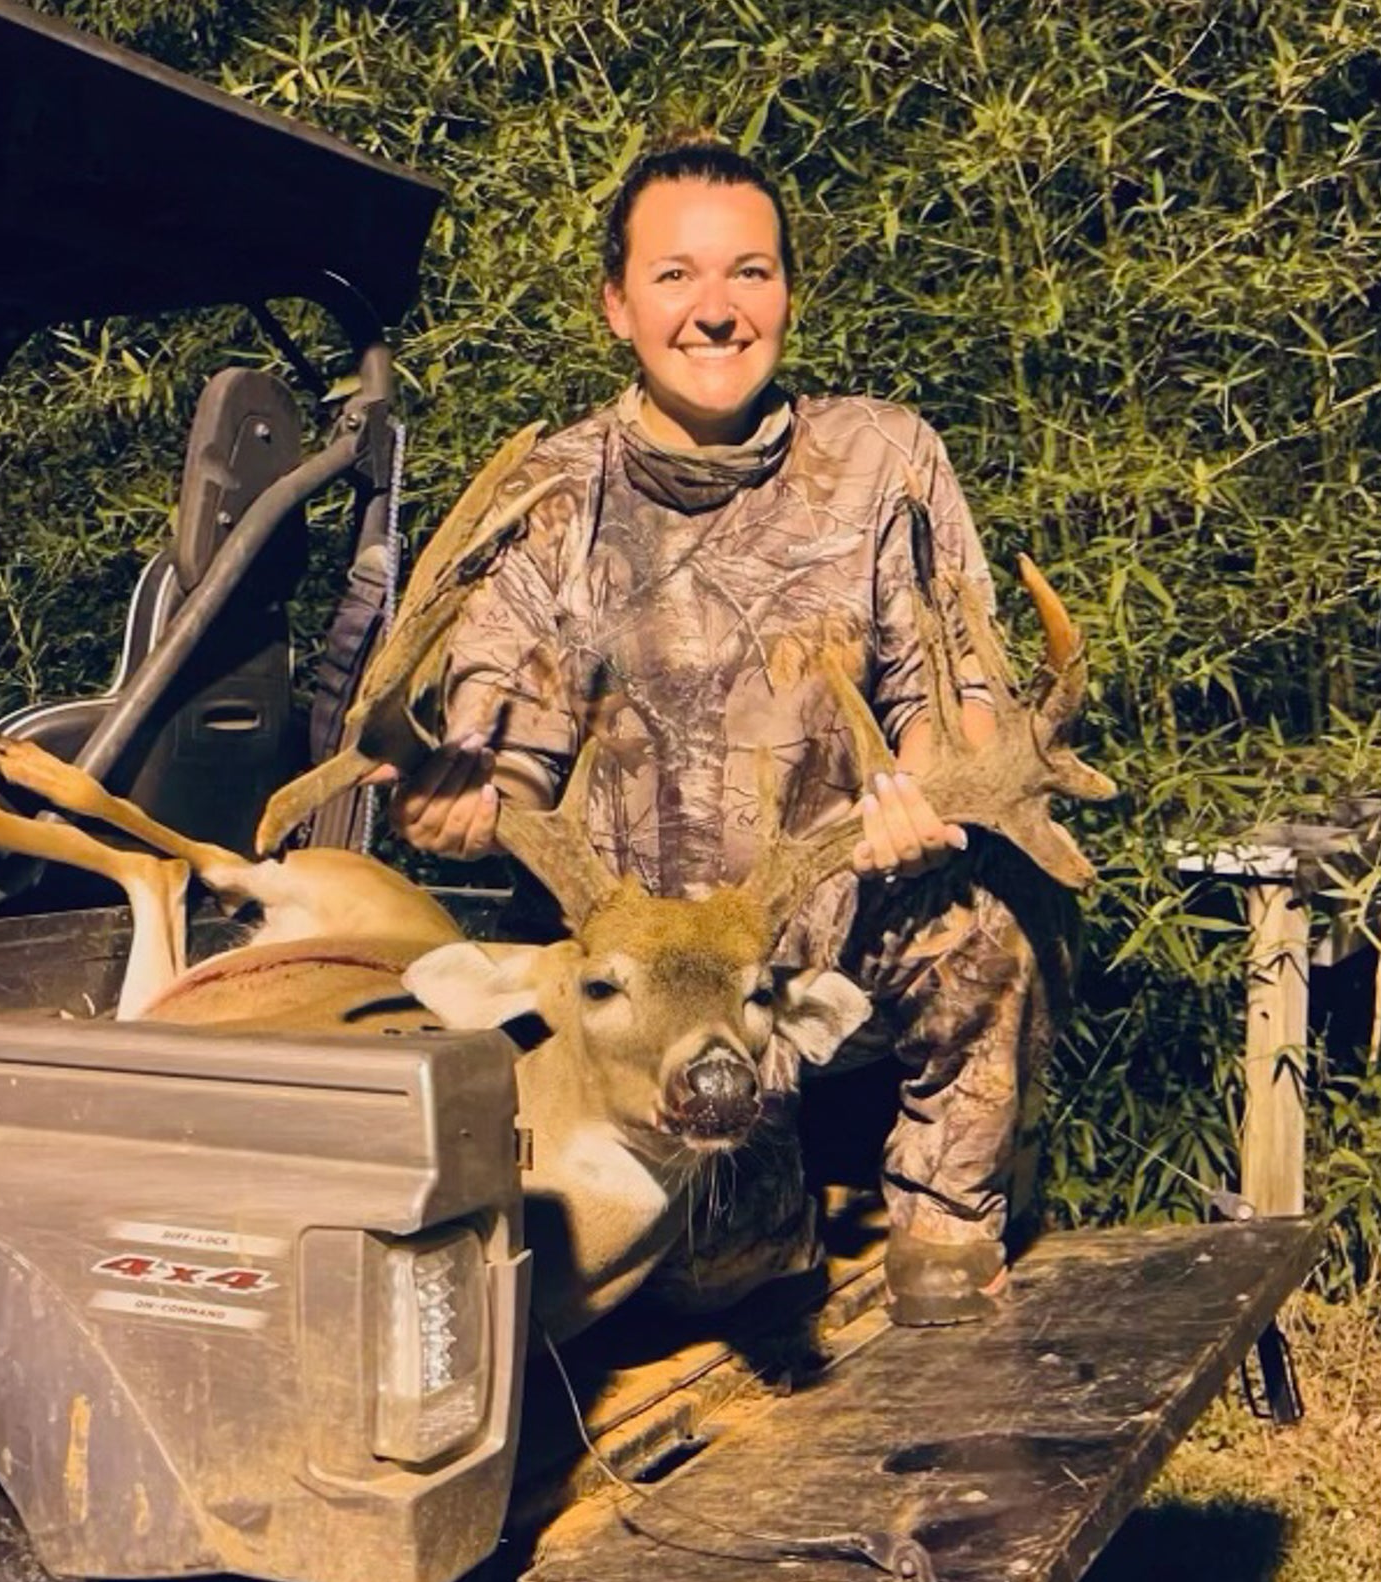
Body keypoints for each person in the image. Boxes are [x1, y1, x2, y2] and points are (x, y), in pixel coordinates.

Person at [387, 138, 1073, 1325]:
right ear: (616, 305)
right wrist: (458, 801)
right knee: (727, 1288)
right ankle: (756, 1211)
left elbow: (946, 691)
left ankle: (942, 1228)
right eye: (674, 276)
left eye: (747, 273)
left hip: (827, 940)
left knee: (984, 934)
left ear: (785, 294)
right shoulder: (559, 495)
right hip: (650, 991)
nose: (715, 311)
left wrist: (918, 799)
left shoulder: (881, 458)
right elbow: (507, 745)